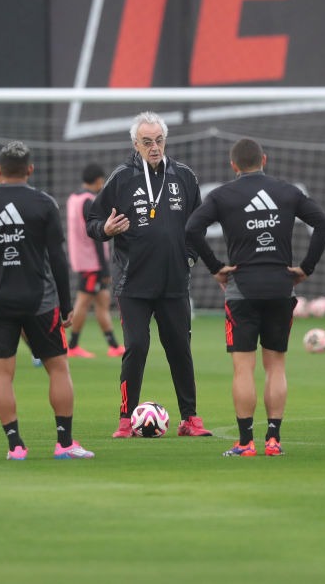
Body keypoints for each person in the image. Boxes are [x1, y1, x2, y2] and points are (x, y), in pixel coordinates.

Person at [186, 138, 325, 457]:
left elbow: (192, 228)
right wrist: (305, 268)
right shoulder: (287, 191)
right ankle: (273, 440)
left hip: (242, 291)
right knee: (276, 366)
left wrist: (216, 268)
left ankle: (245, 442)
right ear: (264, 159)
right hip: (281, 288)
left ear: (233, 165)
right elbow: (324, 223)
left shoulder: (223, 195)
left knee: (243, 369)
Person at [86, 111, 217, 438]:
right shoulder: (121, 177)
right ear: (135, 144)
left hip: (174, 282)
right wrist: (105, 228)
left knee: (180, 349)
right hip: (133, 283)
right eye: (147, 142)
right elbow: (92, 221)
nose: (154, 147)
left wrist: (189, 258)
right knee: (137, 346)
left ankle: (190, 419)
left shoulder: (184, 176)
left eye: (158, 140)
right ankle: (126, 419)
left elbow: (198, 225)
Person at [0, 141, 92, 460]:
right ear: (30, 169)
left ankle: (16, 446)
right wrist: (66, 305)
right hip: (40, 300)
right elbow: (58, 258)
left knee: (1, 375)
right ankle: (64, 444)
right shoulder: (44, 203)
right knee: (58, 368)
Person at [65, 163, 124, 358]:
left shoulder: (73, 198)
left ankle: (114, 345)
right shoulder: (89, 201)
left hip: (81, 259)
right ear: (99, 180)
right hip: (92, 262)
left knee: (102, 301)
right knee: (83, 302)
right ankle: (72, 345)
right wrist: (105, 269)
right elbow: (98, 236)